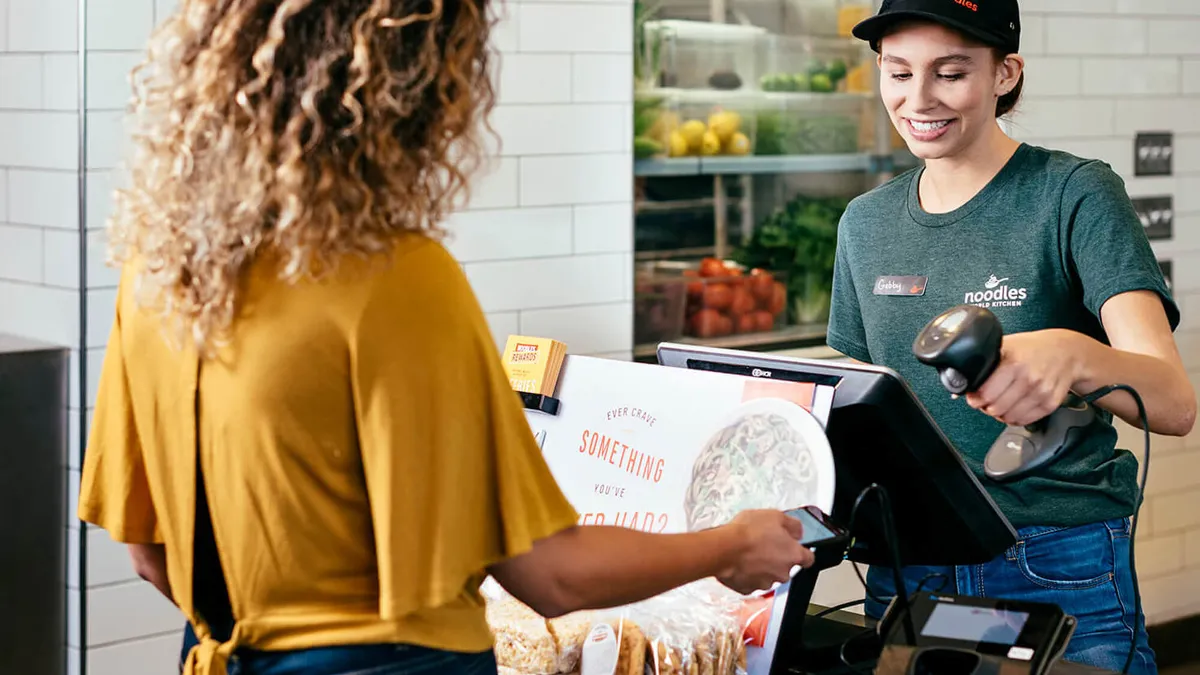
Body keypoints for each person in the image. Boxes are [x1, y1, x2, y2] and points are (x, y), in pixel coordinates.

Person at [75, 3, 817, 675]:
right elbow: (552, 575)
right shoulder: (396, 277)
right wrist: (728, 543)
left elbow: (148, 551)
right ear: (413, 85)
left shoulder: (161, 271)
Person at [828, 1, 1196, 673]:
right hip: (910, 565)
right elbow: (861, 401)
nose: (918, 99)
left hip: (1055, 555)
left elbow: (1173, 403)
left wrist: (1075, 355)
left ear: (1005, 73)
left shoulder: (1074, 194)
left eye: (950, 72)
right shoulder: (864, 223)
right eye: (898, 72)